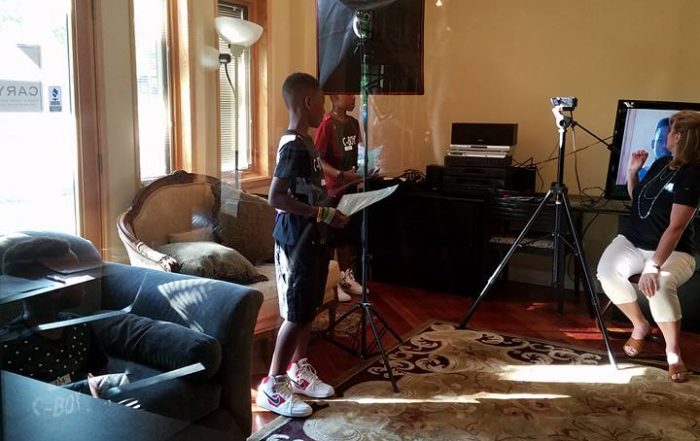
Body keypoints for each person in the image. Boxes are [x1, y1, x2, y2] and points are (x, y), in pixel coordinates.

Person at [256, 73, 349, 418]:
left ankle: (299, 369)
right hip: (295, 240)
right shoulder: (293, 144)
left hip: (314, 237)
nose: (324, 107)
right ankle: (272, 385)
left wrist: (330, 211)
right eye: (322, 101)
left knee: (308, 309)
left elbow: (307, 193)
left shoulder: (306, 142)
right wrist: (322, 212)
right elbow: (276, 197)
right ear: (308, 102)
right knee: (295, 314)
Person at [597, 110, 700, 383]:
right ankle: (640, 325)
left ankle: (673, 352)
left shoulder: (692, 176)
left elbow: (676, 227)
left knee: (660, 285)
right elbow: (640, 201)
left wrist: (653, 266)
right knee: (606, 272)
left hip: (674, 251)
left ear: (681, 137)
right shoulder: (662, 163)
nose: (668, 135)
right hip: (633, 241)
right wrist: (632, 172)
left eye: (672, 130)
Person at [0, 237, 126, 397]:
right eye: (76, 273)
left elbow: (100, 378)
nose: (85, 280)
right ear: (55, 287)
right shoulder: (8, 347)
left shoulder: (79, 327)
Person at [314, 94, 371, 301]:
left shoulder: (354, 123)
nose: (353, 98)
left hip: (351, 188)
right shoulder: (327, 125)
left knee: (347, 235)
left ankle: (346, 277)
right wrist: (339, 174)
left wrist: (367, 166)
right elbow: (318, 159)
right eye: (348, 94)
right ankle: (331, 282)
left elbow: (360, 150)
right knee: (330, 238)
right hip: (332, 190)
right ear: (335, 97)